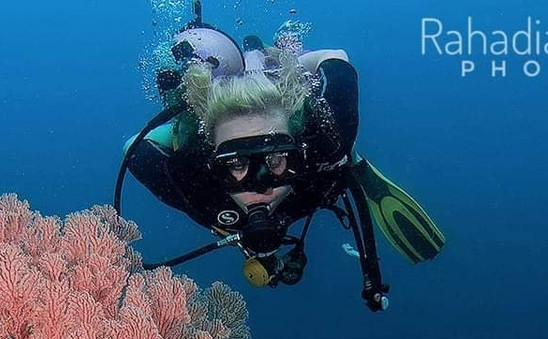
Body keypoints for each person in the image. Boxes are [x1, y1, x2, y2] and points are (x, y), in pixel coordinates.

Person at [114, 11, 445, 312]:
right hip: (202, 132)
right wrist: (186, 123)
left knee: (336, 147)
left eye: (275, 159)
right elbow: (133, 146)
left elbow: (334, 58)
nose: (260, 186)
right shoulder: (196, 181)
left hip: (312, 134)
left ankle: (346, 153)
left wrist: (294, 67)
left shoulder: (325, 148)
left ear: (298, 151)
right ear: (212, 163)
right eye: (236, 164)